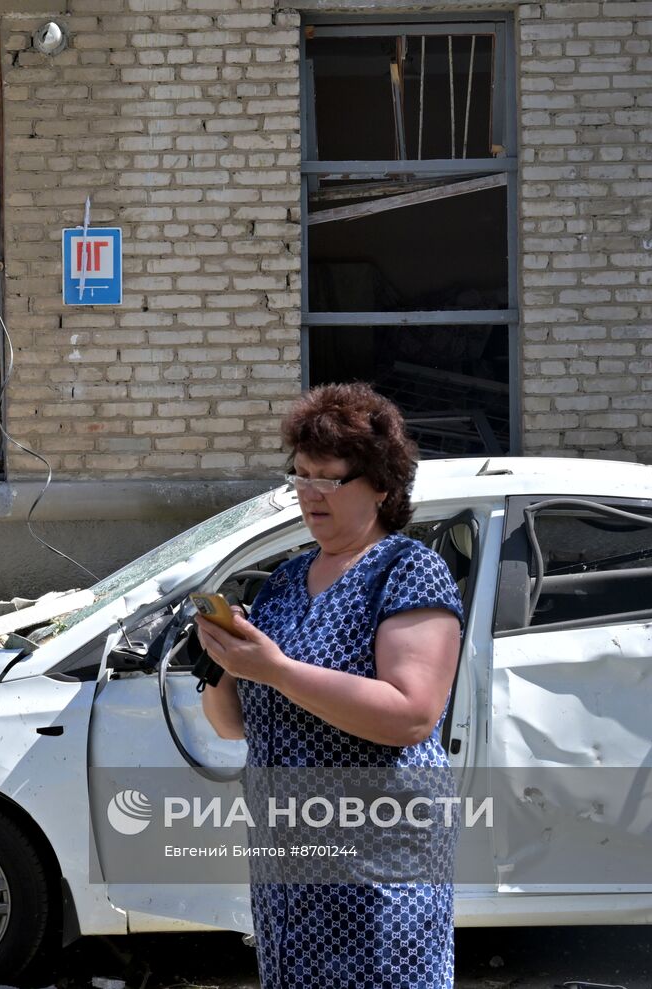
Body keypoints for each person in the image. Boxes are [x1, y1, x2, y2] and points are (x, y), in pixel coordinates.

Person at [198, 382, 464, 989]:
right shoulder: (286, 581)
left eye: (330, 478)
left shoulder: (407, 571)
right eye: (300, 475)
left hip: (378, 864)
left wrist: (277, 670)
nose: (310, 493)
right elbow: (234, 724)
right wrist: (217, 661)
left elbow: (411, 714)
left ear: (381, 485)